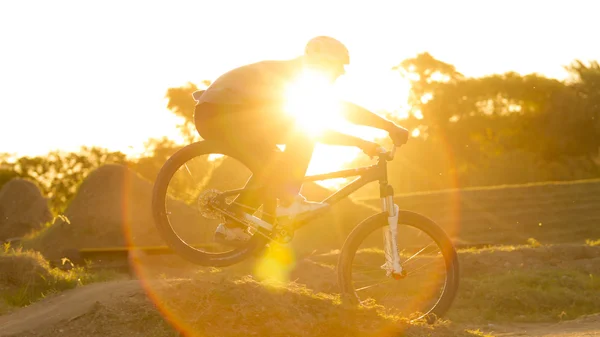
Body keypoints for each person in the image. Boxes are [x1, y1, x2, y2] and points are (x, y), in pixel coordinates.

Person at [193, 36, 409, 244]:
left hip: (219, 115)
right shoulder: (296, 77)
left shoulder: (295, 74)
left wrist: (363, 141)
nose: (342, 72)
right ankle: (289, 202)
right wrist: (378, 133)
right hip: (222, 114)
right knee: (303, 134)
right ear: (323, 62)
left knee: (274, 164)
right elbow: (337, 114)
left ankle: (233, 225)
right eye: (339, 66)